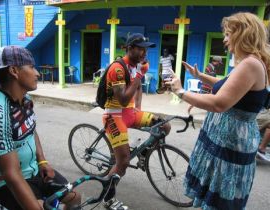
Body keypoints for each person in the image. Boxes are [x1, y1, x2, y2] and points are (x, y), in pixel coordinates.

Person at [165, 12, 270, 210]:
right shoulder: (250, 62)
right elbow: (228, 86)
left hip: (231, 141)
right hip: (228, 139)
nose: (225, 39)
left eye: (228, 34)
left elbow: (218, 103)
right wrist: (199, 75)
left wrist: (180, 92)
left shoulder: (250, 64)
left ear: (242, 34)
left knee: (221, 199)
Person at [0, 46, 81, 210]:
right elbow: (11, 174)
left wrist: (42, 160)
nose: (37, 73)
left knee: (75, 198)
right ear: (14, 71)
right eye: (31, 67)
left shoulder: (25, 97)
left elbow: (31, 129)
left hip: (34, 171)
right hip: (6, 182)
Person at [102, 33, 171, 210]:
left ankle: (142, 152)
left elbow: (138, 88)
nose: (144, 52)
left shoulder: (139, 65)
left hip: (131, 113)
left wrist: (139, 108)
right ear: (130, 48)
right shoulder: (117, 69)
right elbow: (124, 99)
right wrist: (139, 74)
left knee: (164, 125)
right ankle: (108, 199)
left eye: (146, 48)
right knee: (123, 163)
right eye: (140, 48)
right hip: (114, 116)